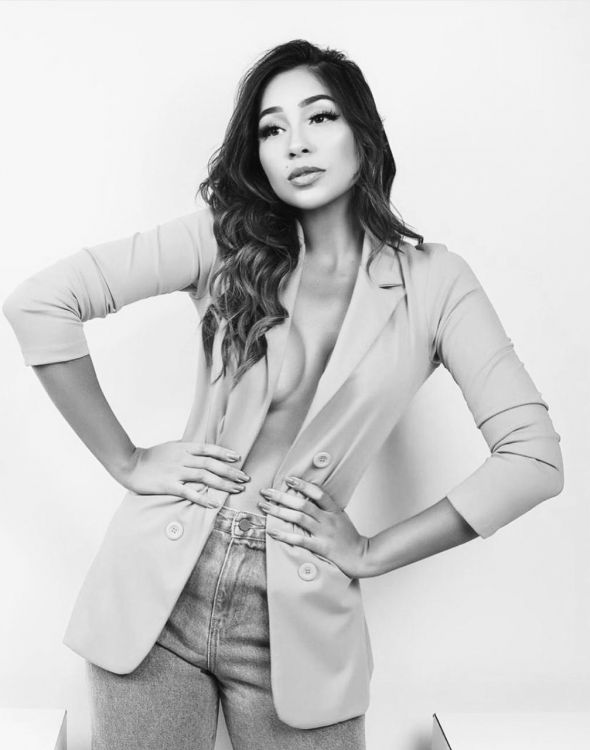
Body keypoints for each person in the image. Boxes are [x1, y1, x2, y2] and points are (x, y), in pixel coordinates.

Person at [2, 39, 564, 750]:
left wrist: (370, 552)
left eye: (320, 117)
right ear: (259, 154)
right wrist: (128, 460)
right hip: (155, 592)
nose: (296, 143)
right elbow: (41, 303)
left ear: (363, 134)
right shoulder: (224, 242)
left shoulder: (437, 283)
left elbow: (534, 459)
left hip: (299, 616)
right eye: (272, 129)